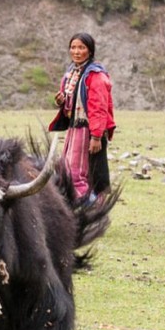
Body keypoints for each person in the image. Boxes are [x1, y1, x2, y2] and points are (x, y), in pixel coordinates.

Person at [49, 33, 116, 203]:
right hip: (74, 128)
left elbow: (99, 108)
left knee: (76, 173)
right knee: (69, 170)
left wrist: (96, 137)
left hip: (87, 130)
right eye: (73, 47)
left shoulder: (95, 75)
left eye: (81, 48)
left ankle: (88, 211)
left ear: (90, 50)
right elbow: (71, 104)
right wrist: (62, 102)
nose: (76, 52)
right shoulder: (72, 73)